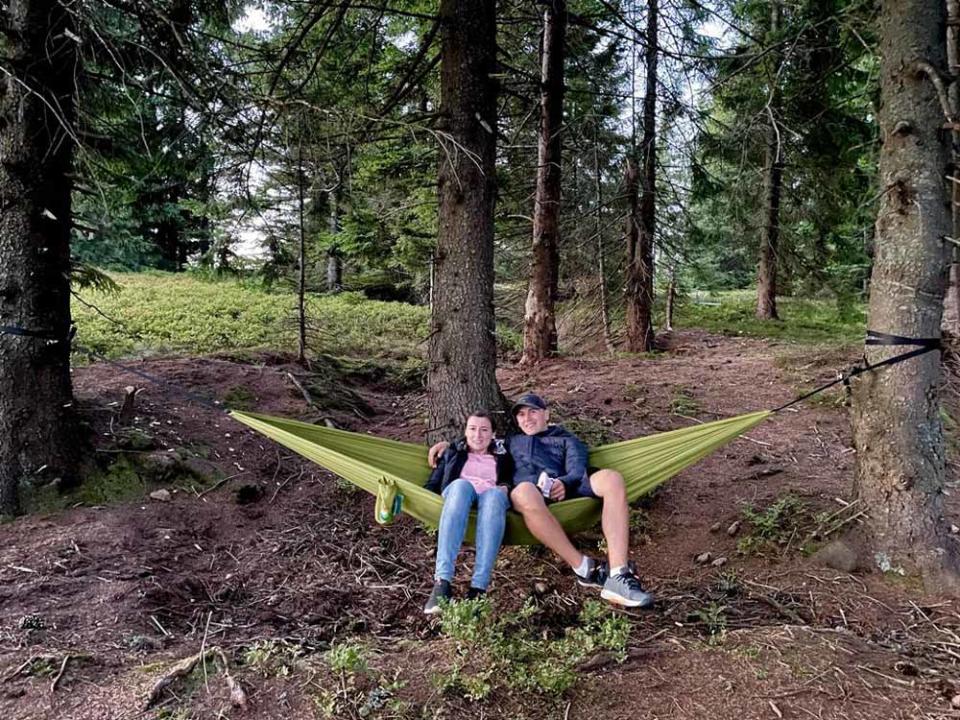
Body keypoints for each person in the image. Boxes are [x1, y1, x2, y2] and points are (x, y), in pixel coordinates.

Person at [429, 394, 653, 608]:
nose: (527, 418)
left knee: (612, 478)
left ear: (546, 414)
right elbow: (478, 440)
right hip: (528, 495)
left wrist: (565, 482)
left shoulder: (565, 439)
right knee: (524, 490)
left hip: (567, 489)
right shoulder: (511, 442)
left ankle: (618, 575)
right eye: (521, 415)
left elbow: (577, 467)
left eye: (533, 412)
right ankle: (583, 566)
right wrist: (448, 446)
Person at [423, 411, 514, 614]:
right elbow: (432, 484)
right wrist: (416, 501)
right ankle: (442, 584)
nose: (478, 435)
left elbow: (509, 479)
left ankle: (478, 589)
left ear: (493, 434)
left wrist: (505, 487)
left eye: (484, 430)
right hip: (458, 497)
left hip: (491, 501)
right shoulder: (453, 451)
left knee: (494, 495)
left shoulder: (504, 455)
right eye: (472, 429)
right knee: (461, 485)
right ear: (465, 431)